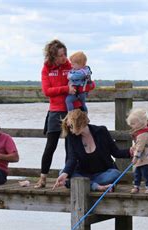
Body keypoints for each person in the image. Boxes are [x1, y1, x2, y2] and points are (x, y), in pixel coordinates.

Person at [35, 39, 95, 189]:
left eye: (65, 54)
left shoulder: (72, 66)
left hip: (73, 111)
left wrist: (84, 87)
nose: (64, 58)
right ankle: (43, 178)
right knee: (50, 145)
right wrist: (65, 89)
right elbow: (46, 91)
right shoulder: (46, 69)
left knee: (72, 146)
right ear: (52, 56)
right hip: (55, 111)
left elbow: (89, 83)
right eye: (60, 55)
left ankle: (68, 177)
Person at [52, 109, 131, 192]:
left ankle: (86, 185)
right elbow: (71, 159)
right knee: (63, 173)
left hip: (102, 173)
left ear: (79, 123)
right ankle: (97, 187)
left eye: (71, 126)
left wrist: (130, 152)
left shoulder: (101, 131)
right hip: (82, 174)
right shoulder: (71, 137)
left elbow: (116, 152)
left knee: (115, 174)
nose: (70, 130)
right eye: (68, 128)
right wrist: (65, 173)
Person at [126, 108, 148, 194]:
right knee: (137, 172)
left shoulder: (143, 134)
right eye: (130, 124)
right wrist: (133, 147)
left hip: (145, 156)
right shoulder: (139, 132)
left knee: (145, 172)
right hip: (141, 157)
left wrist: (135, 156)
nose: (131, 125)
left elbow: (140, 146)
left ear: (141, 122)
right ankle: (136, 186)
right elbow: (137, 144)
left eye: (133, 123)